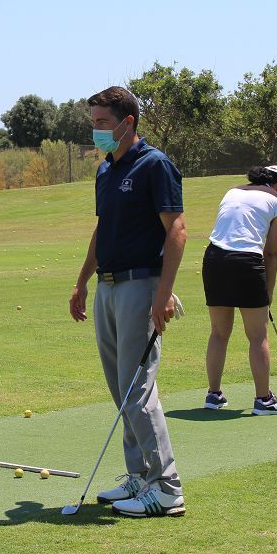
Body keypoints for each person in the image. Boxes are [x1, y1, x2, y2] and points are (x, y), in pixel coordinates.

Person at [69, 86, 187, 518]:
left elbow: (177, 230)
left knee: (137, 390)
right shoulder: (105, 170)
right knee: (121, 390)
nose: (96, 131)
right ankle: (139, 476)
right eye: (93, 123)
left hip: (143, 286)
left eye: (102, 123)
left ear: (127, 123)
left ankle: (167, 487)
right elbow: (104, 231)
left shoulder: (155, 165)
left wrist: (162, 294)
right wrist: (82, 281)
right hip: (108, 285)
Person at [202, 165, 277, 416]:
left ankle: (214, 395)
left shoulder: (232, 191)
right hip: (246, 263)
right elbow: (271, 251)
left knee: (219, 332)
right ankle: (263, 400)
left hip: (214, 259)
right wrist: (268, 291)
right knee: (257, 336)